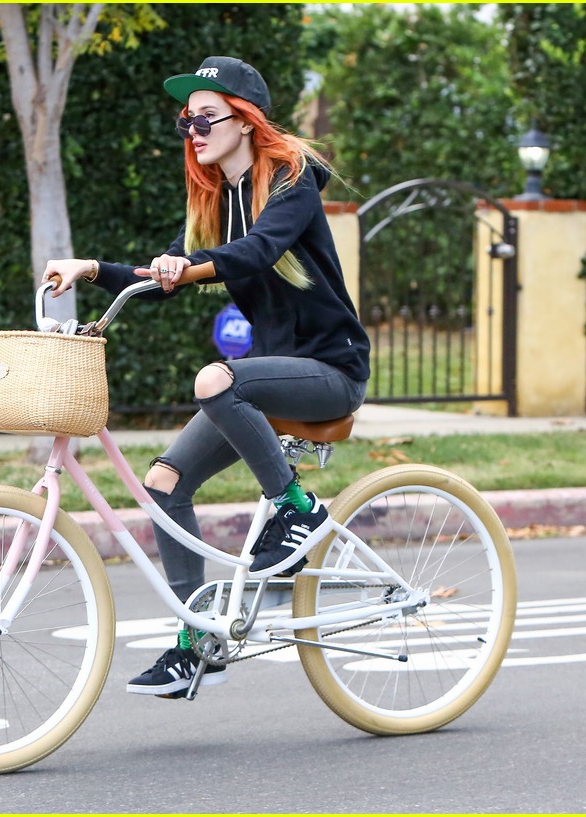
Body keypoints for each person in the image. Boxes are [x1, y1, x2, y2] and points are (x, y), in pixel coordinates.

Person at [43, 56, 370, 698]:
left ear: (245, 122)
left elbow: (257, 252)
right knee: (164, 481)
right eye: (185, 120)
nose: (193, 129)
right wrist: (91, 269)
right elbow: (163, 275)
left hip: (330, 369)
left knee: (215, 379)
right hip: (269, 377)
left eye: (206, 116)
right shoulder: (214, 202)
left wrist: (192, 269)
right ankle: (197, 642)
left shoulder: (291, 184)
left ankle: (297, 510)